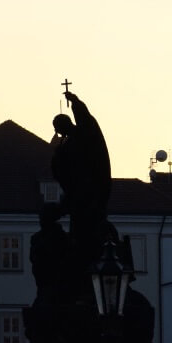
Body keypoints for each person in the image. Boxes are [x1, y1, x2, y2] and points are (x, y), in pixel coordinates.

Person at [50, 90, 111, 260]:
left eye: (59, 129)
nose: (60, 133)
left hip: (89, 189)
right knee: (79, 229)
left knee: (87, 227)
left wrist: (75, 102)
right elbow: (61, 168)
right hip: (78, 192)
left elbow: (86, 119)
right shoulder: (67, 143)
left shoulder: (85, 134)